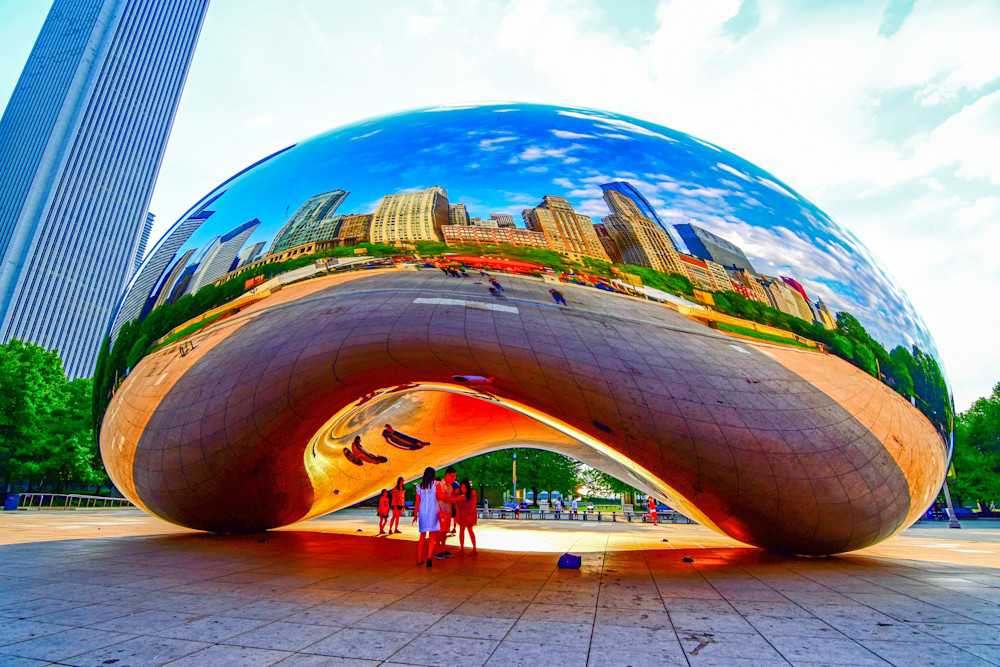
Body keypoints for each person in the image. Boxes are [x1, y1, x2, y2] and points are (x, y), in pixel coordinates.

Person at [413, 467, 440, 567]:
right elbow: (439, 498)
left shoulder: (419, 487)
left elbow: (417, 502)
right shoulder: (435, 485)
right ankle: (429, 557)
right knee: (432, 536)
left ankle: (419, 559)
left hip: (423, 512)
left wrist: (415, 514)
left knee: (422, 536)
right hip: (433, 511)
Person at [436, 467, 460, 558]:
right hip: (441, 511)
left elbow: (451, 497)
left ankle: (442, 548)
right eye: (452, 477)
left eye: (454, 477)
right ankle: (438, 551)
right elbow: (443, 498)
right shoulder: (440, 485)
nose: (453, 479)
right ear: (447, 474)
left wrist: (458, 495)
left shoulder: (450, 486)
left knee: (445, 531)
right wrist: (455, 499)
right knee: (439, 531)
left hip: (448, 511)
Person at [455, 479, 478, 556]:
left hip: (470, 512)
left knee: (470, 529)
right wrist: (457, 514)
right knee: (461, 530)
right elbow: (456, 504)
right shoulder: (458, 493)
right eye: (462, 487)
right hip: (462, 512)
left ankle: (474, 548)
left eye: (464, 487)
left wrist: (470, 514)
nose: (463, 489)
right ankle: (462, 548)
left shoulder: (472, 493)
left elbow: (474, 504)